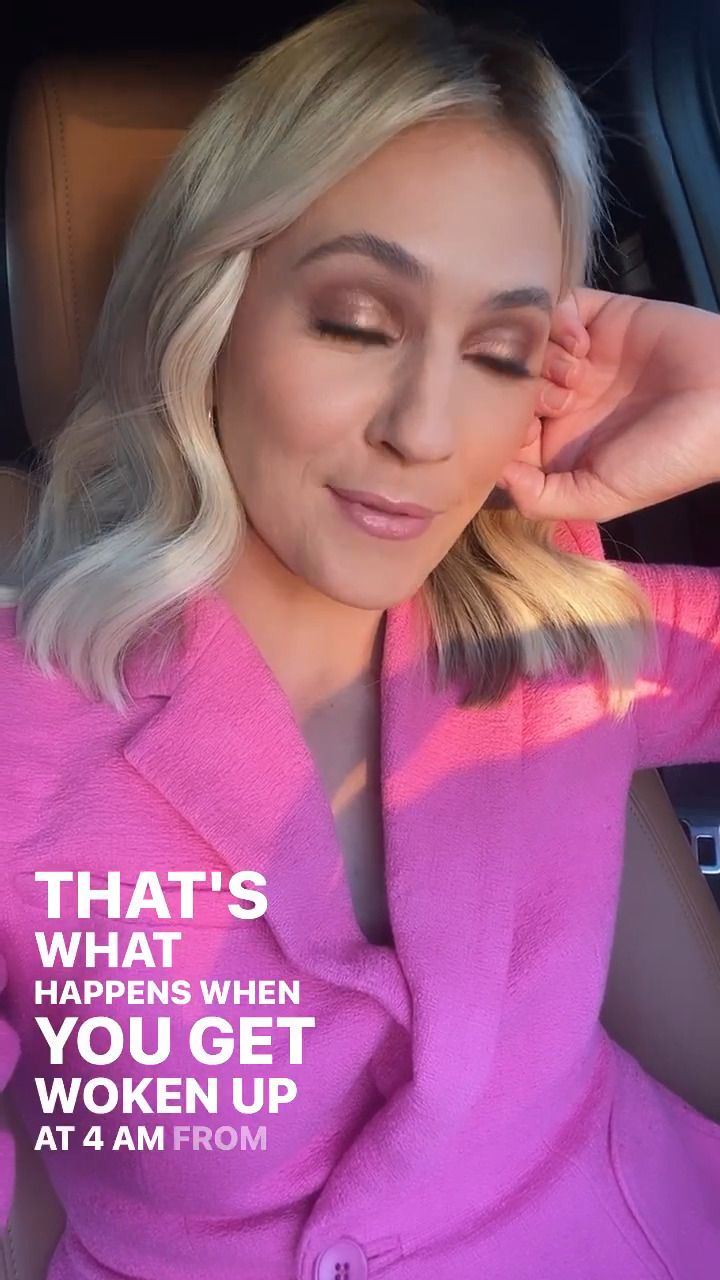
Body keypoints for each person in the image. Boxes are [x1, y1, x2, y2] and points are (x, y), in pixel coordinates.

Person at [1, 1, 719, 1277]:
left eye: (500, 350)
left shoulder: (551, 612)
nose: (426, 430)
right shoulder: (27, 722)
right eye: (355, 321)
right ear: (208, 305)